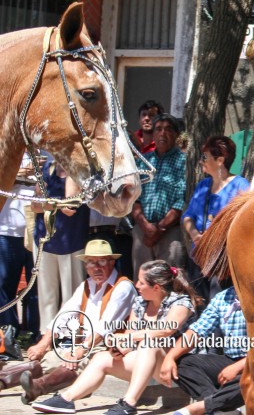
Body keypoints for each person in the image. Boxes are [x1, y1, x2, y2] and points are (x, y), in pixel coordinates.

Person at [31, 260, 200, 415]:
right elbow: (128, 338)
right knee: (101, 357)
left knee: (149, 344)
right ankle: (66, 399)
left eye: (141, 282)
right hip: (147, 366)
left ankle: (128, 404)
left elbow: (165, 330)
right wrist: (118, 349)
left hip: (178, 369)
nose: (137, 285)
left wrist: (129, 338)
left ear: (156, 287)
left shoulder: (181, 303)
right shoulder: (140, 303)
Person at [18, 240, 137, 404]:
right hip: (85, 344)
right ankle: (3, 380)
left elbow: (105, 328)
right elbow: (64, 315)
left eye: (101, 261)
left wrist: (80, 349)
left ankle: (39, 387)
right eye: (90, 262)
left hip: (109, 346)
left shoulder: (123, 287)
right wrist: (43, 343)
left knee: (78, 362)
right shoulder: (86, 285)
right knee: (46, 359)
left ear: (112, 262)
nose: (96, 267)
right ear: (86, 266)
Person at [160, 285, 254, 415]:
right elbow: (197, 331)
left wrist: (238, 367)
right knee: (181, 362)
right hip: (230, 360)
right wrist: (170, 357)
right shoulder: (224, 297)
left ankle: (201, 407)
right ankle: (220, 411)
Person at [182, 136, 250, 301]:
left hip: (223, 262)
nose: (201, 161)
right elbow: (188, 216)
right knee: (198, 304)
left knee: (217, 304)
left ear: (220, 160)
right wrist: (194, 235)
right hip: (198, 258)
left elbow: (243, 223)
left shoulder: (241, 186)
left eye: (205, 157)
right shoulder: (203, 185)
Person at [30, 159, 89, 340]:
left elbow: (71, 203)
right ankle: (46, 337)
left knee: (72, 295)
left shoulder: (81, 169)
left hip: (72, 241)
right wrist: (58, 204)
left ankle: (69, 337)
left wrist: (52, 203)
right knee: (47, 294)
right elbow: (35, 206)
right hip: (45, 240)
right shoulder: (47, 167)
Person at [130, 114, 188, 275]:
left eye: (168, 129)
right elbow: (134, 197)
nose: (163, 133)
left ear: (176, 135)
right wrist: (144, 226)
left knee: (169, 281)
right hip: (143, 231)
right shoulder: (143, 161)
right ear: (153, 134)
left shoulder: (184, 162)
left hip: (170, 232)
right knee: (142, 283)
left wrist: (160, 229)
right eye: (159, 129)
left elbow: (181, 201)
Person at [0, 155, 37, 330]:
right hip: (7, 230)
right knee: (5, 284)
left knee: (35, 287)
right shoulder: (7, 149)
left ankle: (33, 332)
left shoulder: (46, 153)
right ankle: (8, 333)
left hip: (37, 230)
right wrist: (23, 171)